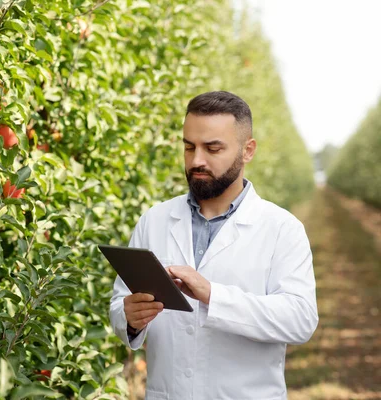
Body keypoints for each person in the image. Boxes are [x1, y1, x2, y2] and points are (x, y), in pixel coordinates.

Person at [109, 91, 318, 400]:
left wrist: (213, 296)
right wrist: (129, 318)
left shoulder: (281, 229)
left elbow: (300, 320)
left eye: (213, 148)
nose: (197, 160)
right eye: (189, 147)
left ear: (248, 151)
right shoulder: (154, 220)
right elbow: (120, 304)